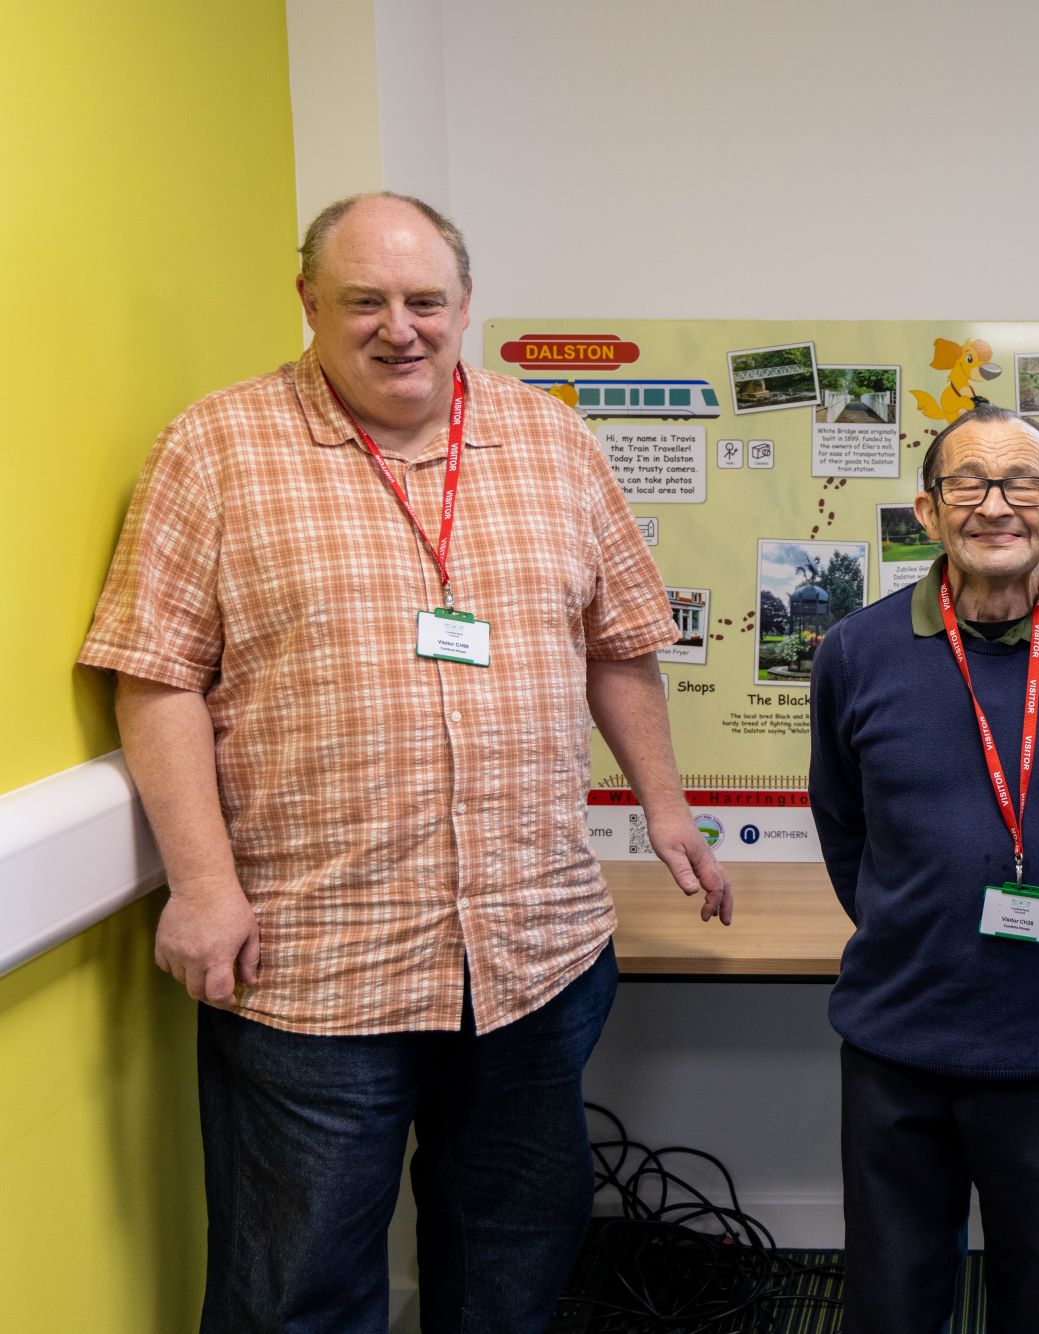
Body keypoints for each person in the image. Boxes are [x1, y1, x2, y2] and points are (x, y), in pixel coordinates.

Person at [78, 192, 731, 1333]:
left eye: (426, 300)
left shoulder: (553, 441)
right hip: (314, 963)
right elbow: (155, 672)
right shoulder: (216, 446)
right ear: (307, 302)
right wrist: (201, 882)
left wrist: (665, 809)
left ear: (465, 303)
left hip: (533, 950)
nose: (400, 328)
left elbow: (618, 644)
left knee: (511, 1265)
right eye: (363, 301)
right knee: (297, 1287)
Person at [808, 401, 1039, 1333]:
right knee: (891, 1303)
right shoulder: (856, 651)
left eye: (1023, 485)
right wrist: (912, 927)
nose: (995, 505)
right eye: (966, 483)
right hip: (900, 1036)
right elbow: (844, 828)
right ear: (927, 512)